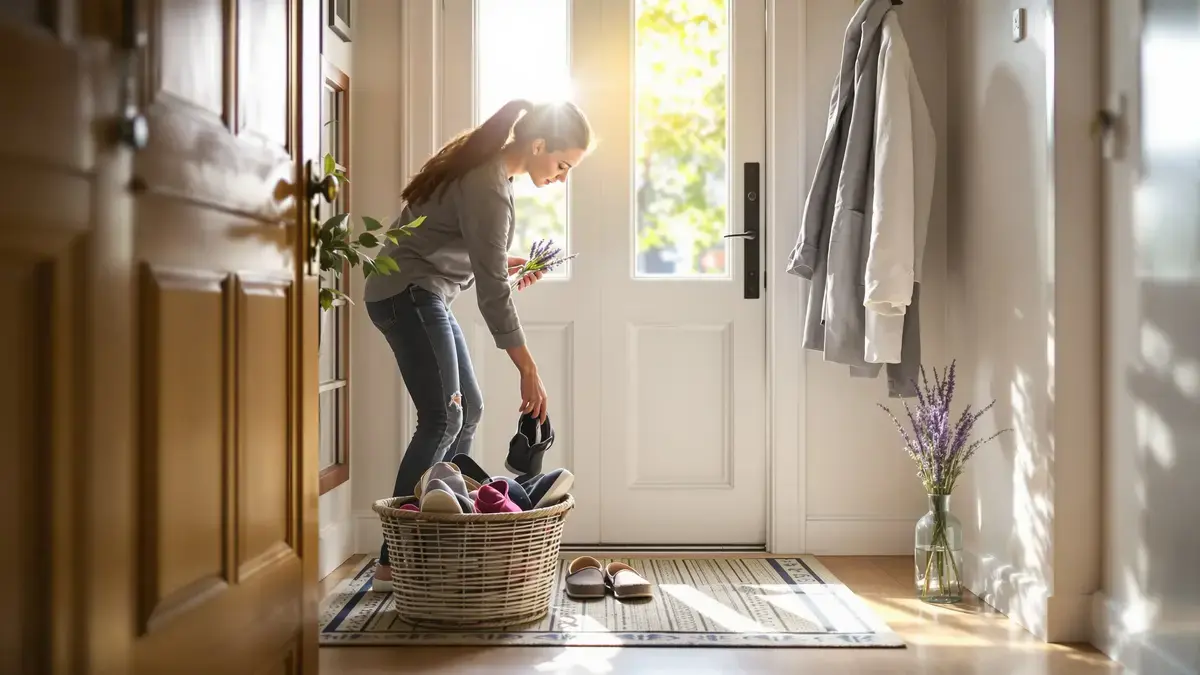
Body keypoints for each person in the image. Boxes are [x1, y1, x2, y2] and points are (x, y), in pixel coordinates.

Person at [362, 99, 594, 590]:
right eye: (562, 165)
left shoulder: (487, 170)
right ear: (538, 145)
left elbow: (450, 247)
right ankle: (395, 560)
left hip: (418, 294)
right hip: (410, 296)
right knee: (445, 417)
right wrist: (528, 368)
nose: (561, 177)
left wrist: (499, 263)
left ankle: (443, 539)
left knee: (467, 410)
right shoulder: (489, 185)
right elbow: (492, 297)